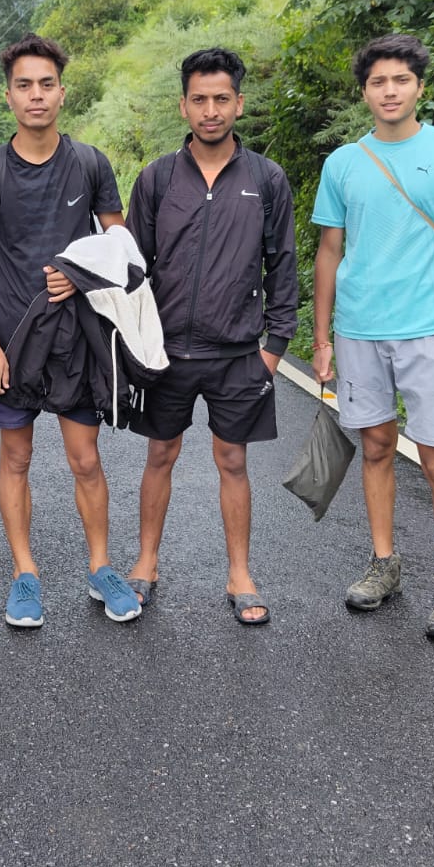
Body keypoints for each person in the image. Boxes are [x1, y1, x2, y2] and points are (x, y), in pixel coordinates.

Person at [310, 34, 434, 642]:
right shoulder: (342, 163)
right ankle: (384, 561)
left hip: (432, 330)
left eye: (400, 80)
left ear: (419, 85)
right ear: (364, 92)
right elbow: (330, 252)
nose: (389, 91)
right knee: (375, 448)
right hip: (360, 329)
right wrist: (322, 336)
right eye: (377, 82)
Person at [0, 33, 142, 628]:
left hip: (75, 340)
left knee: (85, 459)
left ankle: (100, 567)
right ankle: (25, 574)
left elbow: (119, 248)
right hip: (11, 340)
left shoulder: (89, 162)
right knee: (15, 456)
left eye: (46, 84)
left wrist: (79, 275)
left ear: (62, 92)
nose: (35, 96)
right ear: (8, 95)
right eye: (23, 85)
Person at [122, 48, 298, 625]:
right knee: (159, 455)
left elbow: (283, 266)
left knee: (233, 460)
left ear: (239, 103)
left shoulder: (266, 180)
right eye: (199, 99)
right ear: (183, 105)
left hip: (238, 354)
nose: (211, 110)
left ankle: (240, 574)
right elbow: (134, 267)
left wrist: (274, 349)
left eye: (222, 98)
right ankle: (145, 564)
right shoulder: (157, 178)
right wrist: (137, 344)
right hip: (167, 352)